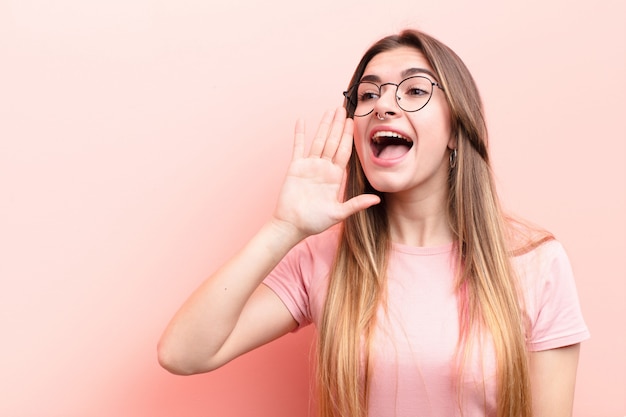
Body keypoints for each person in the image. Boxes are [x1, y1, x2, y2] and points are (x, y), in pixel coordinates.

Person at [157, 29, 589, 417]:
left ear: (458, 129)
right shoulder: (325, 257)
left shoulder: (535, 263)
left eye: (415, 90)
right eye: (367, 95)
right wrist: (283, 228)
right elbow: (183, 354)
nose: (383, 104)